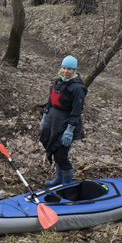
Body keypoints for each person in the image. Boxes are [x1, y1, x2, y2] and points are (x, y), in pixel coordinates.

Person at [39, 55, 87, 186]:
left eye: (70, 69)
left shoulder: (77, 88)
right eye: (64, 67)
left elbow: (76, 111)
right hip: (53, 122)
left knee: (61, 155)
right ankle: (59, 180)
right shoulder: (57, 82)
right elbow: (50, 101)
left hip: (66, 125)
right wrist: (44, 117)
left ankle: (67, 185)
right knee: (55, 151)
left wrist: (69, 130)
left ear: (75, 70)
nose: (66, 71)